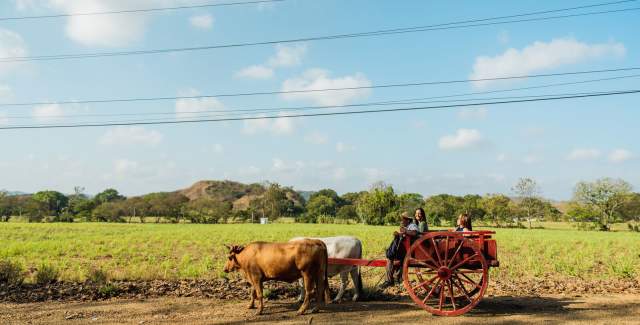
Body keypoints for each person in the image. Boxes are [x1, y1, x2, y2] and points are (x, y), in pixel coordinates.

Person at [381, 213, 418, 288]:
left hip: (408, 250)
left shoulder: (412, 225)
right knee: (397, 259)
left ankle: (389, 281)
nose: (402, 221)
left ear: (407, 220)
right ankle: (397, 279)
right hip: (406, 249)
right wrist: (398, 234)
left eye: (403, 219)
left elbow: (414, 233)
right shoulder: (407, 226)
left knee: (390, 259)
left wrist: (405, 231)